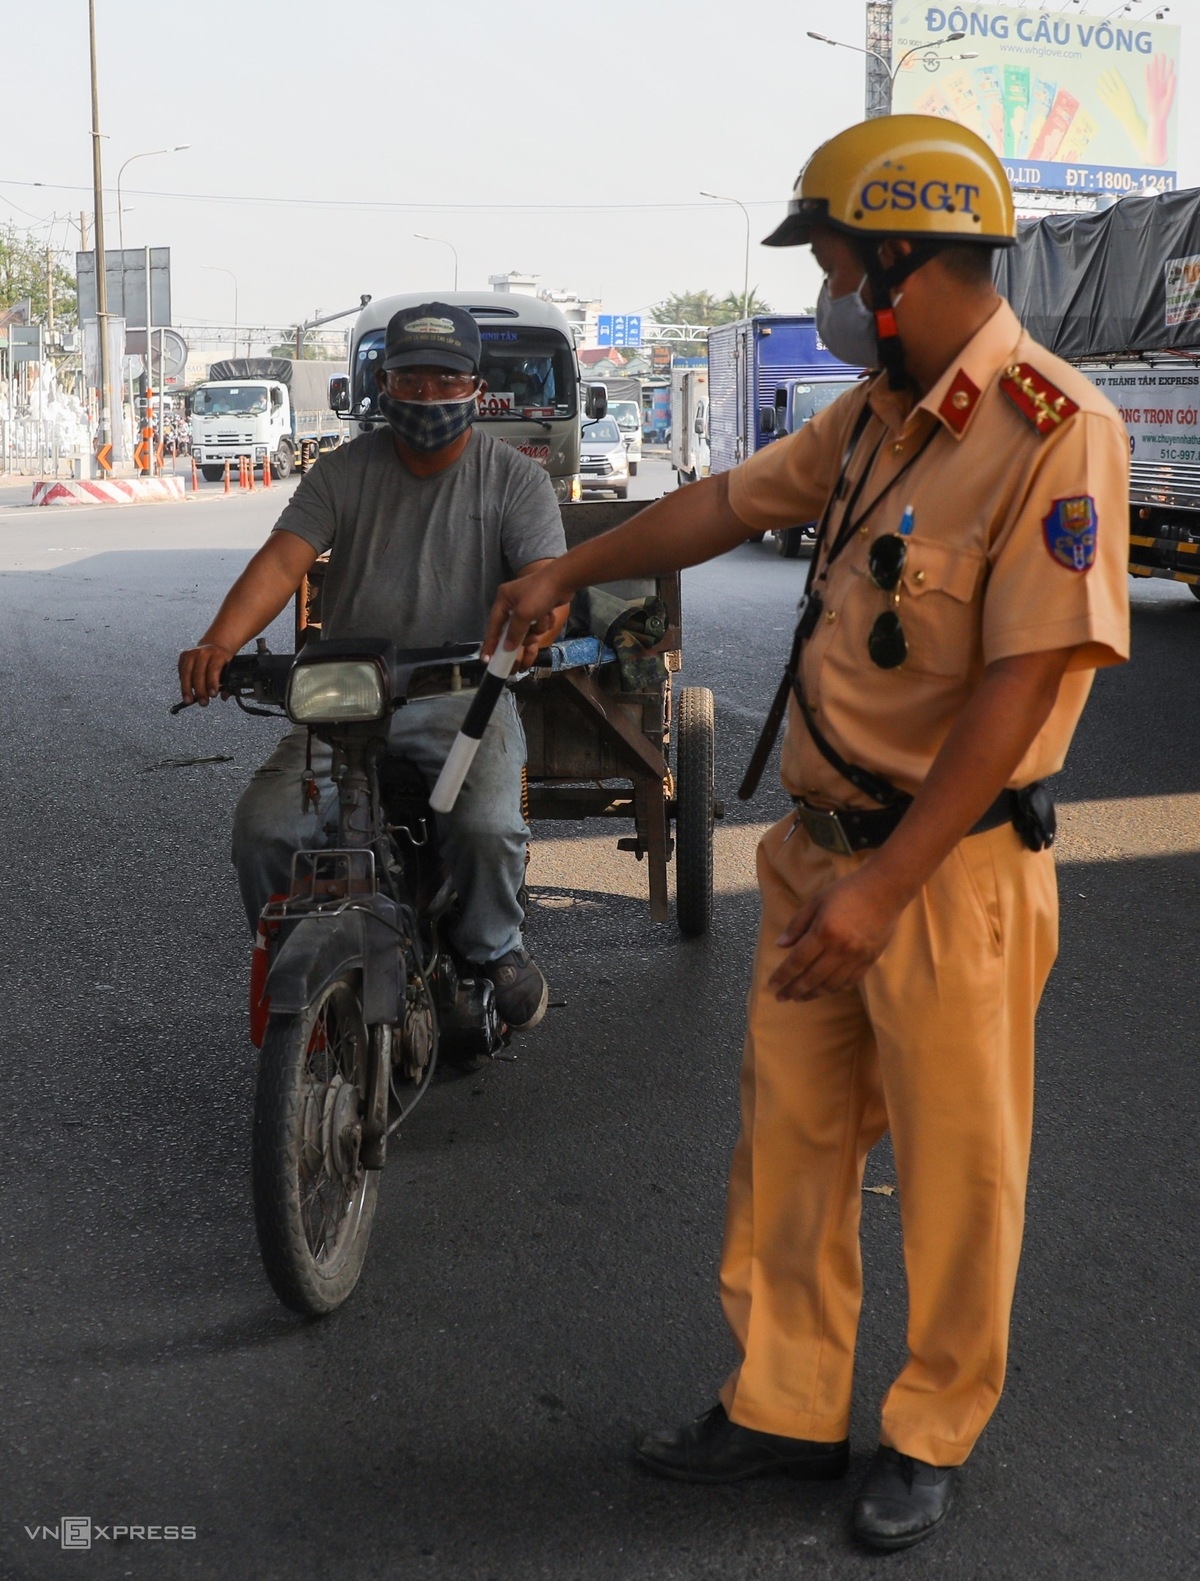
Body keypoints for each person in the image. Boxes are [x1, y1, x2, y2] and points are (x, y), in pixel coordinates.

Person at [481, 116, 1130, 1549]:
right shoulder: (874, 418)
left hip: (946, 876)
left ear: (902, 251)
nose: (826, 282)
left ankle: (931, 1423)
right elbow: (720, 503)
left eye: (836, 254)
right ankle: (782, 1402)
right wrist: (567, 572)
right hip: (822, 856)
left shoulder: (1050, 425)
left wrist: (891, 885)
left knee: (959, 1170)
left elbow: (1024, 683)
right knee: (792, 1141)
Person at [178, 302, 570, 1033]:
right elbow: (281, 560)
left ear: (474, 389)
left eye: (443, 381)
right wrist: (218, 642)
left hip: (465, 695)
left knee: (487, 826)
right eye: (409, 381)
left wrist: (543, 615)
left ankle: (493, 948)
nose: (426, 397)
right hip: (348, 697)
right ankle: (299, 972)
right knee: (262, 831)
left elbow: (545, 577)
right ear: (383, 386)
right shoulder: (342, 471)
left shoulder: (515, 481)